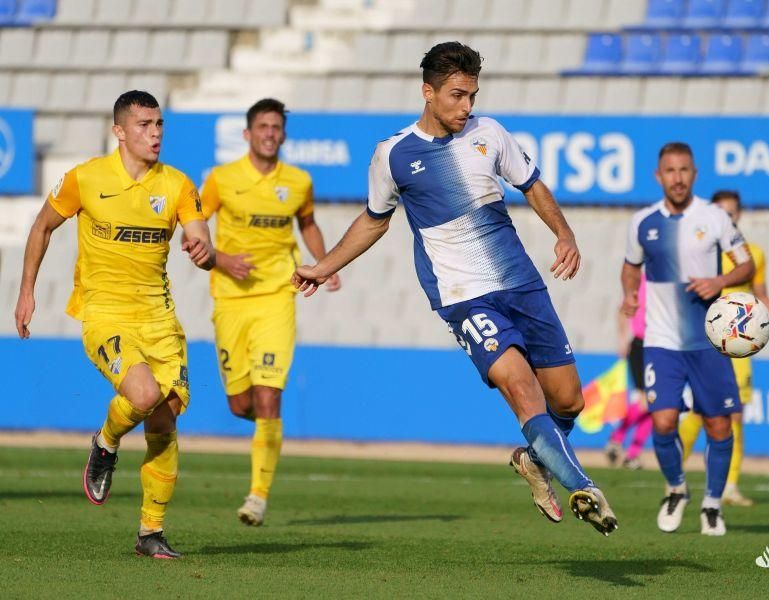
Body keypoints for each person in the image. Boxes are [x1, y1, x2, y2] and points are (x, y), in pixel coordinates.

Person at [291, 41, 617, 535]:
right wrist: (323, 265)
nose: (467, 107)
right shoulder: (394, 154)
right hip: (463, 295)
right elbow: (374, 221)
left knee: (569, 400)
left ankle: (535, 461)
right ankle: (583, 487)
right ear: (428, 92)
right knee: (520, 385)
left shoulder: (491, 134)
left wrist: (565, 233)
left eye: (473, 95)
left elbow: (532, 185)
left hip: (521, 285)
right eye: (457, 95)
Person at [14, 91, 214, 558]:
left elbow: (199, 235)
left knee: (164, 419)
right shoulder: (85, 179)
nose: (156, 133)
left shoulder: (179, 185)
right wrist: (27, 291)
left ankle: (151, 533)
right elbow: (41, 226)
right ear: (119, 131)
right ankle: (105, 442)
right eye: (145, 125)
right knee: (142, 396)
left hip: (160, 320)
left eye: (160, 124)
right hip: (104, 314)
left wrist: (202, 250)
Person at [200, 98, 341, 526]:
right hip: (230, 299)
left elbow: (308, 224)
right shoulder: (221, 180)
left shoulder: (298, 182)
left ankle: (257, 496)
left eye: (276, 127)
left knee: (269, 397)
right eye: (262, 126)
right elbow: (193, 225)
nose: (269, 133)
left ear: (283, 134)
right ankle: (257, 431)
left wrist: (326, 264)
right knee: (241, 405)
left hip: (278, 296)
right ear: (247, 134)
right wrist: (221, 259)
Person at [621, 142, 755, 536]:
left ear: (694, 174)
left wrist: (719, 280)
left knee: (718, 425)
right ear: (658, 176)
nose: (677, 178)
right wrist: (629, 293)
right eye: (670, 171)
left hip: (707, 341)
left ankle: (712, 504)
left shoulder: (714, 218)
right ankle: (677, 489)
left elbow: (744, 263)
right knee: (663, 422)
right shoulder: (642, 222)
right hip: (662, 341)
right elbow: (630, 268)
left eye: (684, 170)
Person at [678, 190, 769, 507]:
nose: (728, 218)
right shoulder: (702, 250)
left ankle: (729, 486)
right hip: (706, 340)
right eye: (722, 213)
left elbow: (761, 294)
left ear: (739, 215)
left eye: (733, 213)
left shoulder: (752, 253)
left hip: (740, 346)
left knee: (736, 415)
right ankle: (675, 472)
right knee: (701, 412)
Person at [605, 274, 651, 470]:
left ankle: (632, 455)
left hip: (662, 347)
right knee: (645, 401)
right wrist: (623, 338)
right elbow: (623, 309)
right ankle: (617, 438)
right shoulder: (641, 281)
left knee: (655, 406)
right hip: (641, 345)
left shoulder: (669, 280)